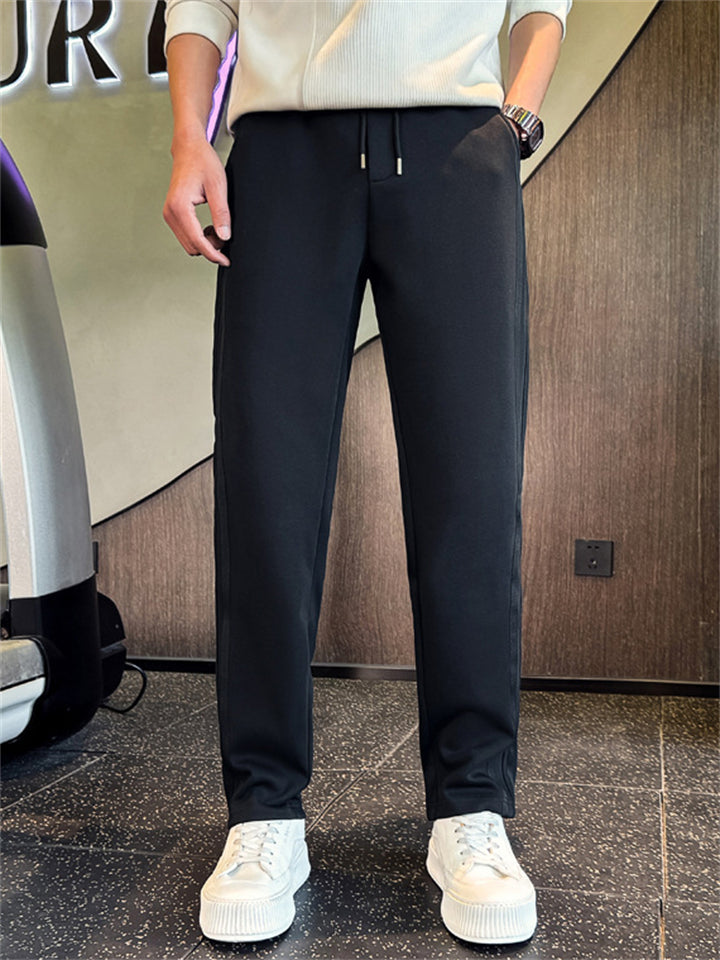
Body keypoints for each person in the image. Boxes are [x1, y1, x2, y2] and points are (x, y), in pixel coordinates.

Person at [162, 0, 571, 946]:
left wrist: (514, 119)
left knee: (472, 483)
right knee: (266, 483)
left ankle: (471, 804)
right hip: (282, 152)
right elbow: (200, 4)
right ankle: (264, 810)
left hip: (455, 144)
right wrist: (189, 136)